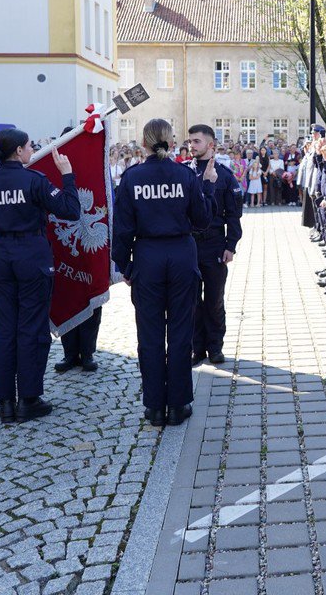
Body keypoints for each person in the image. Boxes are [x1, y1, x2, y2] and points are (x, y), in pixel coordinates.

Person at [0, 128, 79, 424]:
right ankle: (28, 398)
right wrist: (67, 175)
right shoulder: (34, 181)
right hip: (31, 255)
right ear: (18, 151)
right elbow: (70, 210)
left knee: (4, 331)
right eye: (30, 146)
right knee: (31, 328)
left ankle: (5, 400)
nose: (32, 150)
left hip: (0, 257)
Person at [113, 118, 216, 427]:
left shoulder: (132, 178)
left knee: (150, 334)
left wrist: (125, 265)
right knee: (182, 332)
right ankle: (178, 403)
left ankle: (155, 406)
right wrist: (208, 189)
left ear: (143, 144)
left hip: (147, 257)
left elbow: (121, 229)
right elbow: (201, 220)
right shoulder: (185, 175)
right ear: (172, 143)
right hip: (181, 256)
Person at [187, 124, 243, 366]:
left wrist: (230, 245)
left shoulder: (225, 176)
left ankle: (215, 347)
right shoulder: (183, 173)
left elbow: (234, 215)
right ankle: (196, 347)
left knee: (213, 300)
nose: (191, 145)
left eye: (196, 141)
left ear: (211, 145)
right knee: (190, 301)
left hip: (214, 245)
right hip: (188, 247)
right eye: (190, 141)